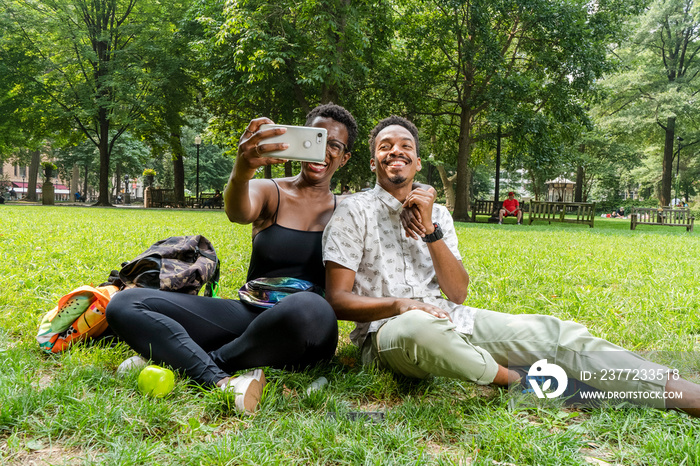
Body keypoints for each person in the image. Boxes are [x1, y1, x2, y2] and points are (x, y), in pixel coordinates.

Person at [323, 115, 700, 417]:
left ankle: (684, 394)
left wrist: (431, 231)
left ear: (418, 161)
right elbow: (338, 300)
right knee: (419, 326)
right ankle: (515, 380)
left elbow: (457, 293)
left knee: (552, 333)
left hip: (452, 318)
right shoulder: (352, 212)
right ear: (373, 161)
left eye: (406, 146)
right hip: (387, 336)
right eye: (385, 147)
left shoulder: (438, 215)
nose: (396, 151)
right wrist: (403, 305)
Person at [106, 103, 358, 414]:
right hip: (249, 314)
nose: (323, 150)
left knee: (310, 305)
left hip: (306, 330)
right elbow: (237, 211)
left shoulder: (350, 208)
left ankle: (202, 358)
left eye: (335, 145)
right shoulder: (269, 191)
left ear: (344, 158)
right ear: (299, 139)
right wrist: (243, 167)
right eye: (316, 137)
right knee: (124, 304)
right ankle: (220, 381)